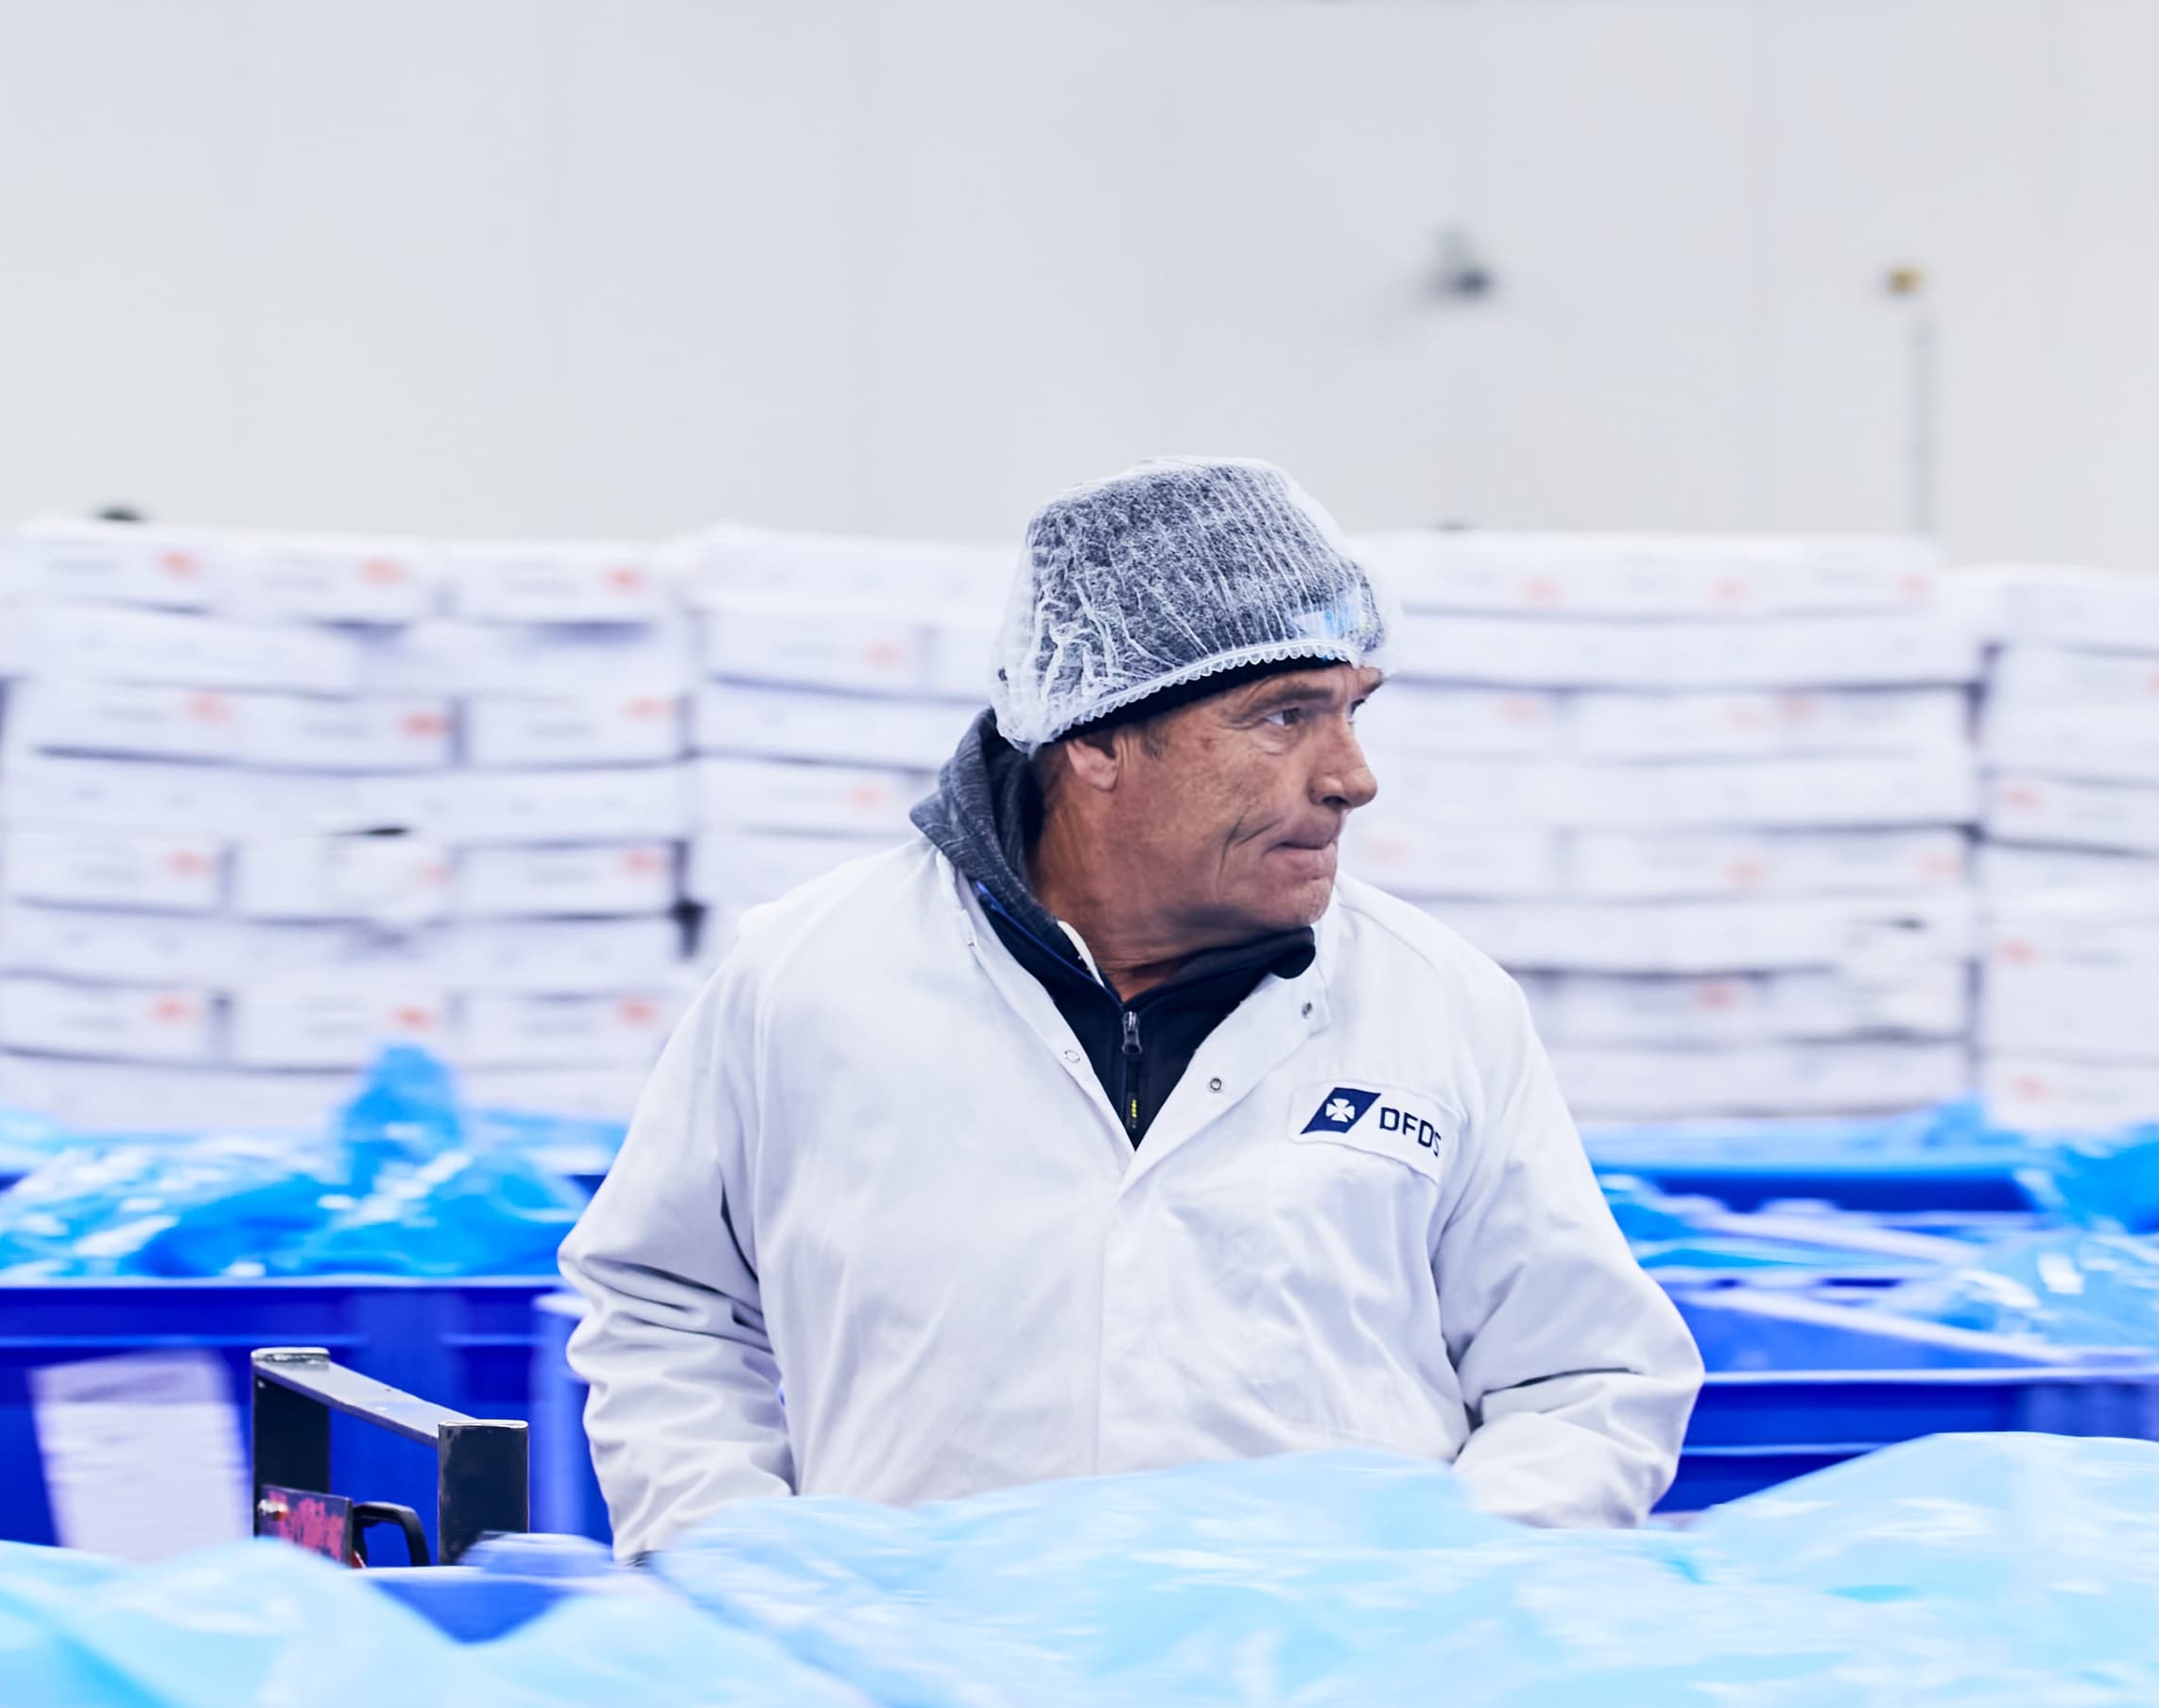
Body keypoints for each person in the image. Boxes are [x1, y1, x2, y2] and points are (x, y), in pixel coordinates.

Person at [561, 457, 1701, 1555]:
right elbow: (666, 1305)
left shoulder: (1440, 1004)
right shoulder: (809, 979)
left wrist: (1442, 1582)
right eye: (1282, 717)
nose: (1352, 773)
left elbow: (1586, 1377)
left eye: (1355, 709)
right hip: (923, 1700)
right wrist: (731, 1550)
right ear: (1099, 730)